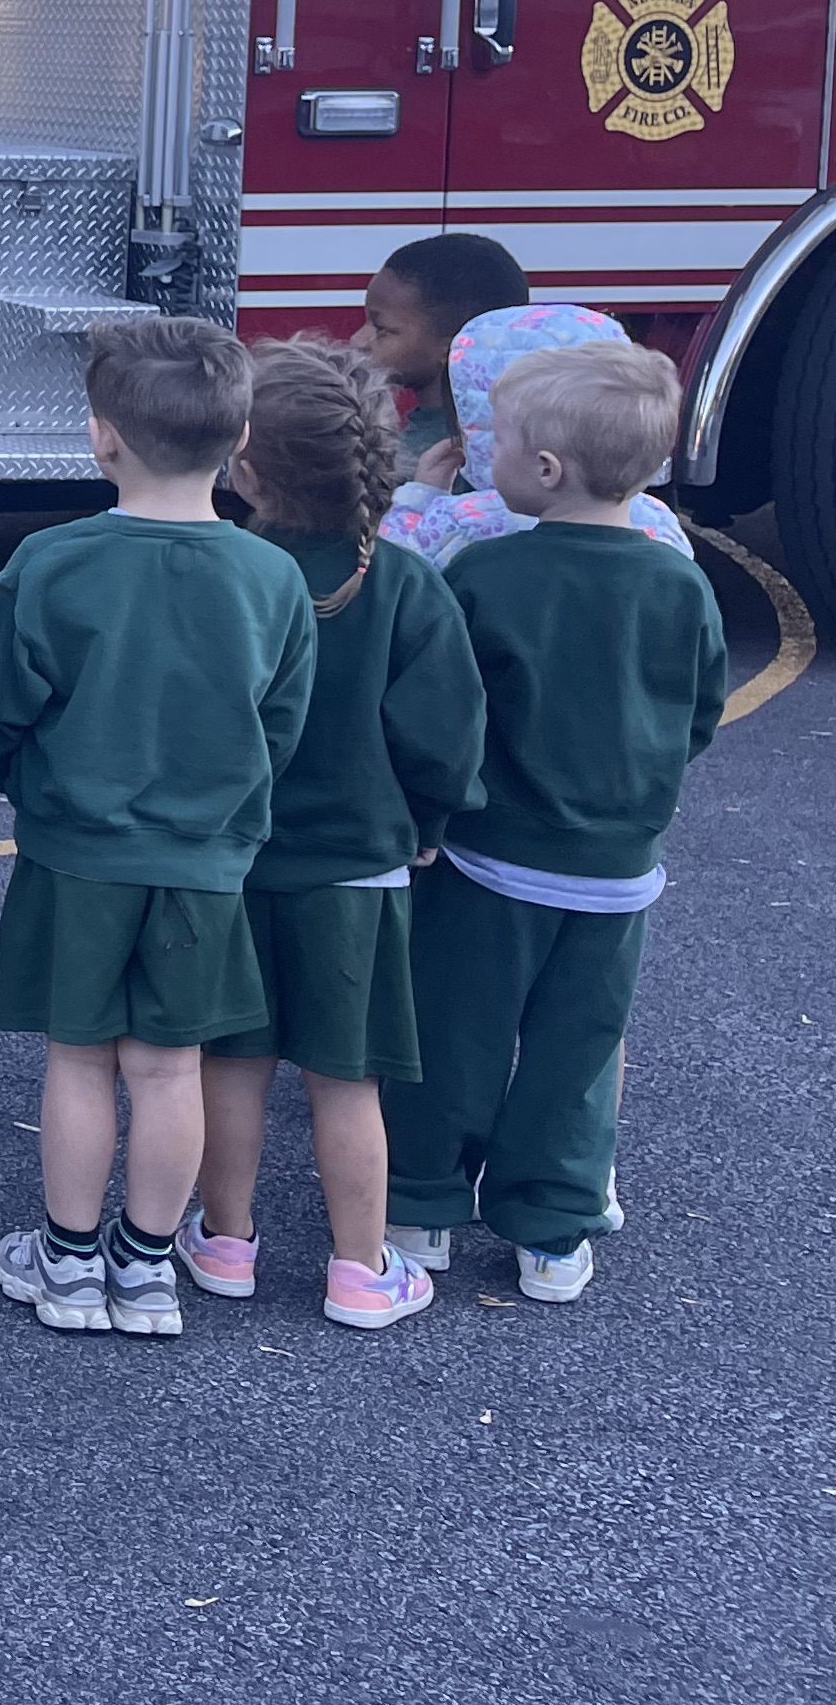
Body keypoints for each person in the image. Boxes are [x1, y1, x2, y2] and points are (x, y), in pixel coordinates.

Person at [0, 317, 314, 1338]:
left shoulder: (50, 562)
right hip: (207, 860)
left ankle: (69, 1262)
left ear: (101, 436)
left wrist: (23, 779)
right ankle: (149, 1263)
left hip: (77, 850)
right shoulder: (272, 578)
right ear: (241, 436)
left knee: (79, 1057)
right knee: (170, 1068)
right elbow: (283, 723)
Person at [382, 343, 724, 1303]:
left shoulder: (488, 574)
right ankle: (554, 1228)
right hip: (619, 866)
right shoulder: (680, 582)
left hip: (492, 854)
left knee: (454, 1030)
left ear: (544, 470)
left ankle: (421, 1203)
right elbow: (698, 713)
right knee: (579, 1047)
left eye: (504, 444)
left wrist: (430, 810)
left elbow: (444, 712)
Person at [176, 339, 481, 1334]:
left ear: (244, 467)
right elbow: (445, 735)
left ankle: (225, 1241)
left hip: (232, 861)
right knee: (349, 1081)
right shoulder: (404, 584)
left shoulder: (221, 574)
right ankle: (360, 1267)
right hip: (359, 871)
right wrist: (427, 825)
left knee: (233, 1063)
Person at [379, 304, 693, 567]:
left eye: (496, 439)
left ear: (547, 469)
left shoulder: (461, 525)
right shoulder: (660, 527)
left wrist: (421, 496)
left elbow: (395, 572)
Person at [356, 233, 529, 486]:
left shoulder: (430, 464)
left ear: (452, 346)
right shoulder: (512, 442)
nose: (357, 340)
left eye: (381, 328)